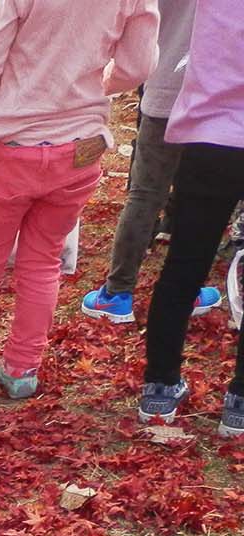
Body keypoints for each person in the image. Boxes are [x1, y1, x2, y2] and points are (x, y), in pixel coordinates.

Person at [0, 0, 158, 401]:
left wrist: (3, 104)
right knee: (43, 261)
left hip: (13, 139)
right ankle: (22, 368)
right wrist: (95, 86)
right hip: (79, 141)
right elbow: (137, 66)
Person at [137, 0, 244, 436]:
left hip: (208, 138)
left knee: (183, 265)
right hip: (211, 134)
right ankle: (240, 403)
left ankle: (159, 387)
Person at [81, 0, 224, 325]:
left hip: (166, 84)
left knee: (146, 194)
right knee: (196, 197)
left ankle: (117, 293)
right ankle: (187, 288)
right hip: (214, 95)